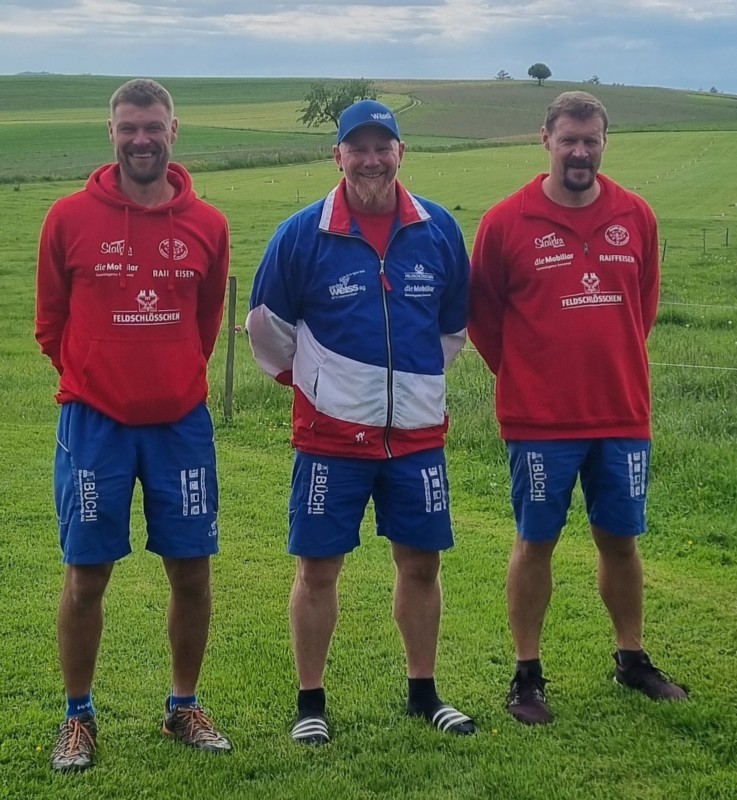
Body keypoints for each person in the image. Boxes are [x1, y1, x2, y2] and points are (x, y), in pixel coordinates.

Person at [246, 99, 475, 744]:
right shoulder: (302, 234)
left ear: (401, 152)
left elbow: (451, 330)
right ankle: (310, 704)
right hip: (330, 440)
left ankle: (424, 693)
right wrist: (318, 385)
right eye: (358, 148)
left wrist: (409, 390)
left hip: (417, 438)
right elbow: (266, 330)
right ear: (337, 155)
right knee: (318, 569)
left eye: (383, 147)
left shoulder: (439, 229)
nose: (371, 160)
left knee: (422, 565)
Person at [468, 91, 688, 726]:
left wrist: (608, 363)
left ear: (604, 143)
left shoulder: (636, 216)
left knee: (620, 539)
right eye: (569, 139)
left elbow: (642, 308)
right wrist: (530, 376)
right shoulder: (506, 221)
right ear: (546, 140)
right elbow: (483, 319)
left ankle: (631, 658)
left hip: (621, 414)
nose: (580, 152)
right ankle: (527, 675)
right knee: (536, 541)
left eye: (591, 140)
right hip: (539, 422)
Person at [35, 78, 232, 771]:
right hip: (95, 425)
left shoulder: (208, 224)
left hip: (180, 427)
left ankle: (183, 707)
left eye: (153, 127)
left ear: (174, 130)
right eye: (129, 128)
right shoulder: (67, 217)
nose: (141, 139)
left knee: (192, 572)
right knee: (86, 575)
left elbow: (205, 323)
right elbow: (50, 323)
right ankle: (78, 715)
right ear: (111, 133)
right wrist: (99, 376)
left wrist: (166, 378)